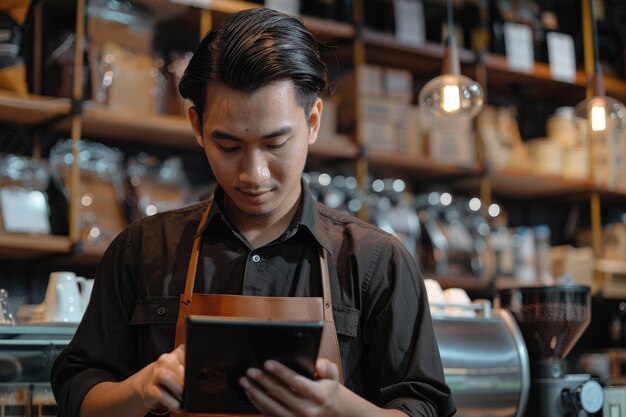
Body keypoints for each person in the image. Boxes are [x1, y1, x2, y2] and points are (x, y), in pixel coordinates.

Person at [51, 7, 455, 417]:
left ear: (312, 121)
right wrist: (141, 387)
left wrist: (339, 407)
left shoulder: (375, 261)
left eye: (275, 143)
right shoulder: (141, 250)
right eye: (228, 146)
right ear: (197, 125)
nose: (252, 174)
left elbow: (425, 407)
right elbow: (77, 393)